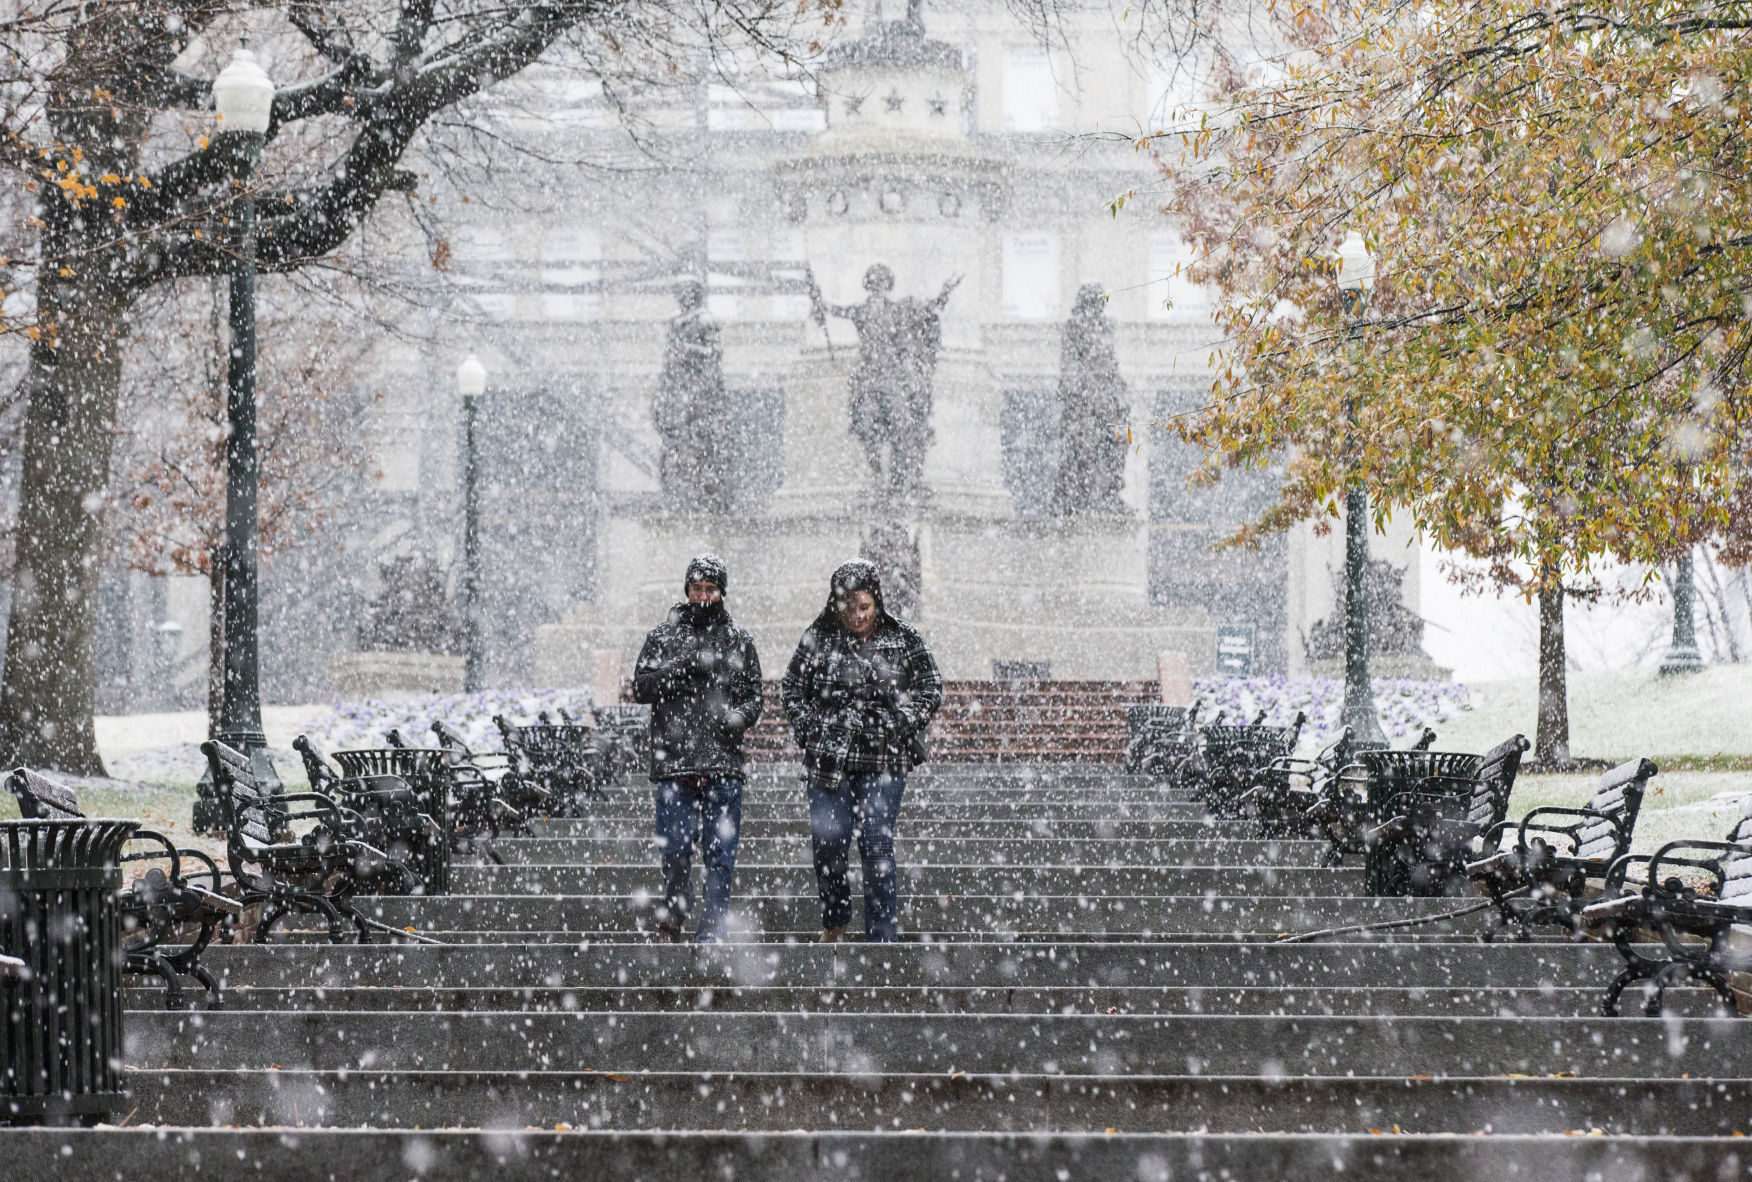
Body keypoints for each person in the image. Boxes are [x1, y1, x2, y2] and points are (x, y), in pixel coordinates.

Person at [781, 560, 943, 942]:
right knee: (828, 842)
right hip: (829, 757)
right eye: (848, 607)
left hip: (883, 755)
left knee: (875, 842)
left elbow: (931, 685)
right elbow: (791, 687)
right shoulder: (817, 637)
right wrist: (809, 727)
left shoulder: (904, 637)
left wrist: (904, 720)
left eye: (865, 607)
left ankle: (881, 938)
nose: (857, 616)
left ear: (878, 602)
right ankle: (835, 920)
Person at [631, 555, 763, 943]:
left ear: (722, 591)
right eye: (697, 588)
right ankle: (676, 908)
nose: (703, 596)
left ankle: (712, 931)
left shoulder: (739, 639)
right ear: (686, 589)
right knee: (675, 850)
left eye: (710, 589)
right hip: (675, 762)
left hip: (722, 761)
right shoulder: (662, 636)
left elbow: (753, 695)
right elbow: (641, 687)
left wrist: (737, 718)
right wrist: (680, 668)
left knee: (720, 856)